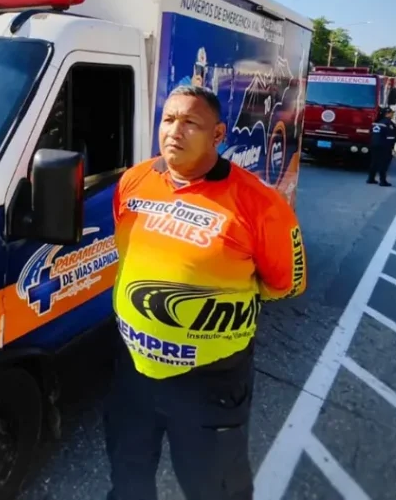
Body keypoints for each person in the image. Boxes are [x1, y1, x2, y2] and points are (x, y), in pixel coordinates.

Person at [106, 85, 307, 500]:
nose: (174, 131)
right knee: (127, 479)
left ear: (217, 135)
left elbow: (286, 284)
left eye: (190, 123)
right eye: (168, 119)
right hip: (133, 370)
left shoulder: (260, 203)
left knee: (214, 489)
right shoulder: (133, 181)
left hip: (210, 380)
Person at [366, 107, 396, 187]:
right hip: (384, 145)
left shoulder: (376, 122)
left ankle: (371, 178)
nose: (392, 114)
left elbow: (370, 133)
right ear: (387, 113)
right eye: (391, 113)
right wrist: (392, 148)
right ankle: (383, 181)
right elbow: (391, 137)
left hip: (374, 144)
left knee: (374, 162)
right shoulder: (388, 123)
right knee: (384, 164)